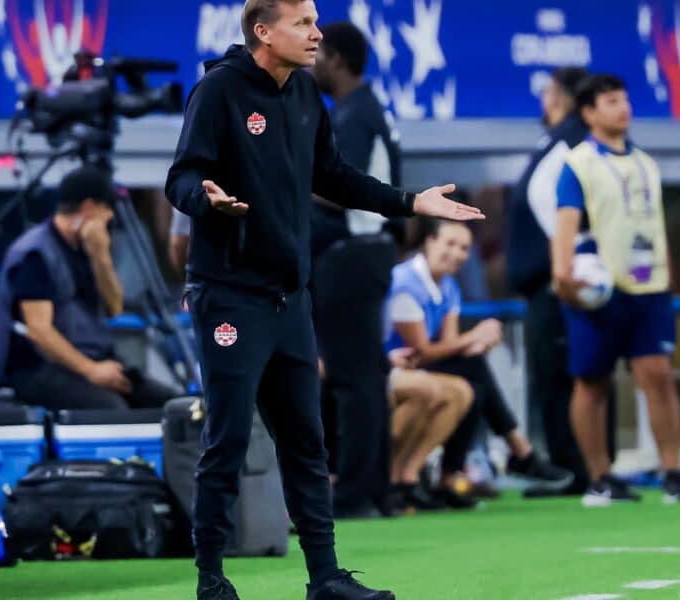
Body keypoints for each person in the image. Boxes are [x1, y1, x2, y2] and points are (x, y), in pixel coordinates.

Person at [164, 2, 482, 599]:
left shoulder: (306, 94)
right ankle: (211, 578)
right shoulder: (218, 91)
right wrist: (205, 198)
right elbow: (179, 177)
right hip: (229, 296)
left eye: (315, 22)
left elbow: (333, 175)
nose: (317, 34)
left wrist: (412, 202)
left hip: (290, 298)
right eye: (303, 23)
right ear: (264, 31)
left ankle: (325, 578)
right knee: (228, 439)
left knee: (307, 441)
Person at [550, 74, 680, 507]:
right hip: (598, 290)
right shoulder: (577, 164)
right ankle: (600, 477)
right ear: (590, 112)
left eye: (625, 99)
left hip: (650, 288)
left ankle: (673, 471)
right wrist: (563, 278)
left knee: (659, 377)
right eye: (611, 101)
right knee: (592, 383)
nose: (623, 108)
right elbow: (566, 225)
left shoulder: (648, 163)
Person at [385, 218, 573, 507]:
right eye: (450, 244)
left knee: (471, 378)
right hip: (392, 367)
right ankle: (511, 456)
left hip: (420, 365)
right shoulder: (405, 282)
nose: (457, 253)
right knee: (472, 374)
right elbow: (421, 350)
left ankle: (432, 476)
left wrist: (475, 343)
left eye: (464, 248)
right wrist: (473, 337)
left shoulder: (447, 285)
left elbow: (447, 345)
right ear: (429, 242)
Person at [507, 67, 616, 497]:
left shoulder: (573, 144)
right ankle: (588, 466)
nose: (544, 100)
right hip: (555, 281)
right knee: (570, 374)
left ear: (564, 98)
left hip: (565, 282)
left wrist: (570, 265)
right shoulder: (562, 142)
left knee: (569, 375)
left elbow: (566, 212)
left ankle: (580, 467)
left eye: (549, 92)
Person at [0, 165, 179, 411]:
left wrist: (101, 256)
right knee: (111, 408)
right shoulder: (34, 253)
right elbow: (39, 330)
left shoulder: (87, 248)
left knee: (172, 404)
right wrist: (92, 371)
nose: (110, 217)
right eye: (107, 209)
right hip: (36, 368)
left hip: (93, 359)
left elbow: (114, 308)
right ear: (89, 207)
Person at [309, 21, 403, 519]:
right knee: (365, 375)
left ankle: (357, 492)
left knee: (353, 380)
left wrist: (284, 182)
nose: (313, 60)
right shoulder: (364, 109)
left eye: (319, 52)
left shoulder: (353, 116)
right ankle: (377, 490)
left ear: (338, 59)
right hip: (368, 252)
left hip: (354, 254)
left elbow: (346, 186)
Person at [386, 348, 473, 511]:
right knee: (424, 391)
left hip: (387, 366)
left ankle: (408, 475)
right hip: (369, 369)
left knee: (463, 389)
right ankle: (387, 475)